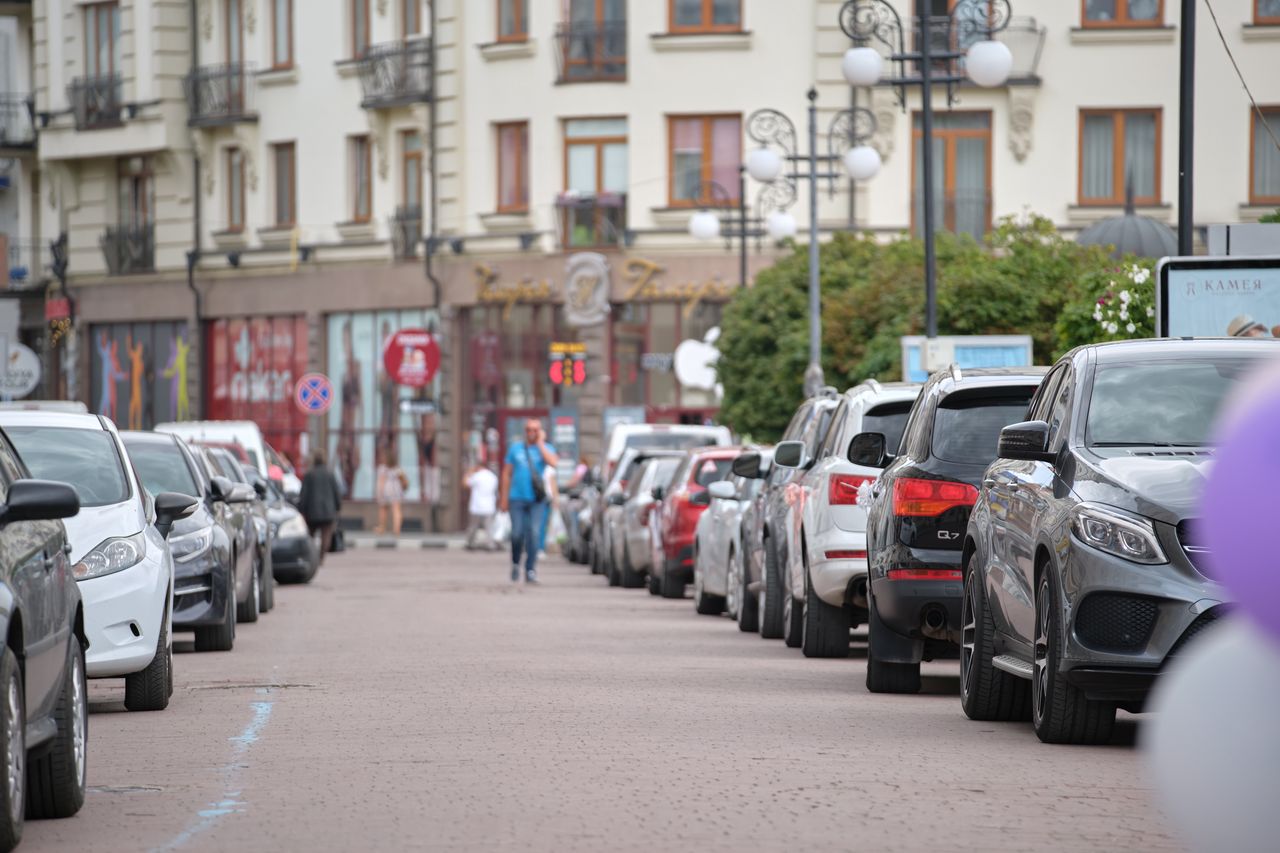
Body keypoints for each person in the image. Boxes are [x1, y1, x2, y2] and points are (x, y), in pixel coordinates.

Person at [499, 419, 558, 583]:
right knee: (517, 534)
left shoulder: (546, 449)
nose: (531, 432)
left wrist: (540, 443)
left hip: (537, 500)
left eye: (535, 430)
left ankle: (530, 569)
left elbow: (553, 463)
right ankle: (515, 563)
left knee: (534, 533)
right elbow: (506, 474)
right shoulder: (515, 449)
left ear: (540, 432)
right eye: (528, 430)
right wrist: (503, 498)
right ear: (524, 431)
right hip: (516, 499)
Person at [299, 449, 343, 563]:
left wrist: (301, 510)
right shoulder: (330, 474)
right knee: (326, 536)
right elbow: (336, 492)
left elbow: (303, 494)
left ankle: (311, 556)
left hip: (312, 511)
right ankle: (321, 557)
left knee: (310, 536)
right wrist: (338, 507)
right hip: (328, 511)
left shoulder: (309, 474)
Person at [464, 461, 500, 550]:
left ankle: (470, 543)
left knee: (473, 526)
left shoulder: (477, 476)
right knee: (489, 527)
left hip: (476, 505)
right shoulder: (493, 477)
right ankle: (490, 544)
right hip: (489, 505)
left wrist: (468, 473)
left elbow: (465, 484)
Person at [374, 444, 405, 535]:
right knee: (396, 509)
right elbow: (403, 479)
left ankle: (382, 527)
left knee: (383, 509)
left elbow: (381, 481)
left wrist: (379, 492)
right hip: (396, 490)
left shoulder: (382, 468)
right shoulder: (397, 468)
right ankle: (397, 529)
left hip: (386, 490)